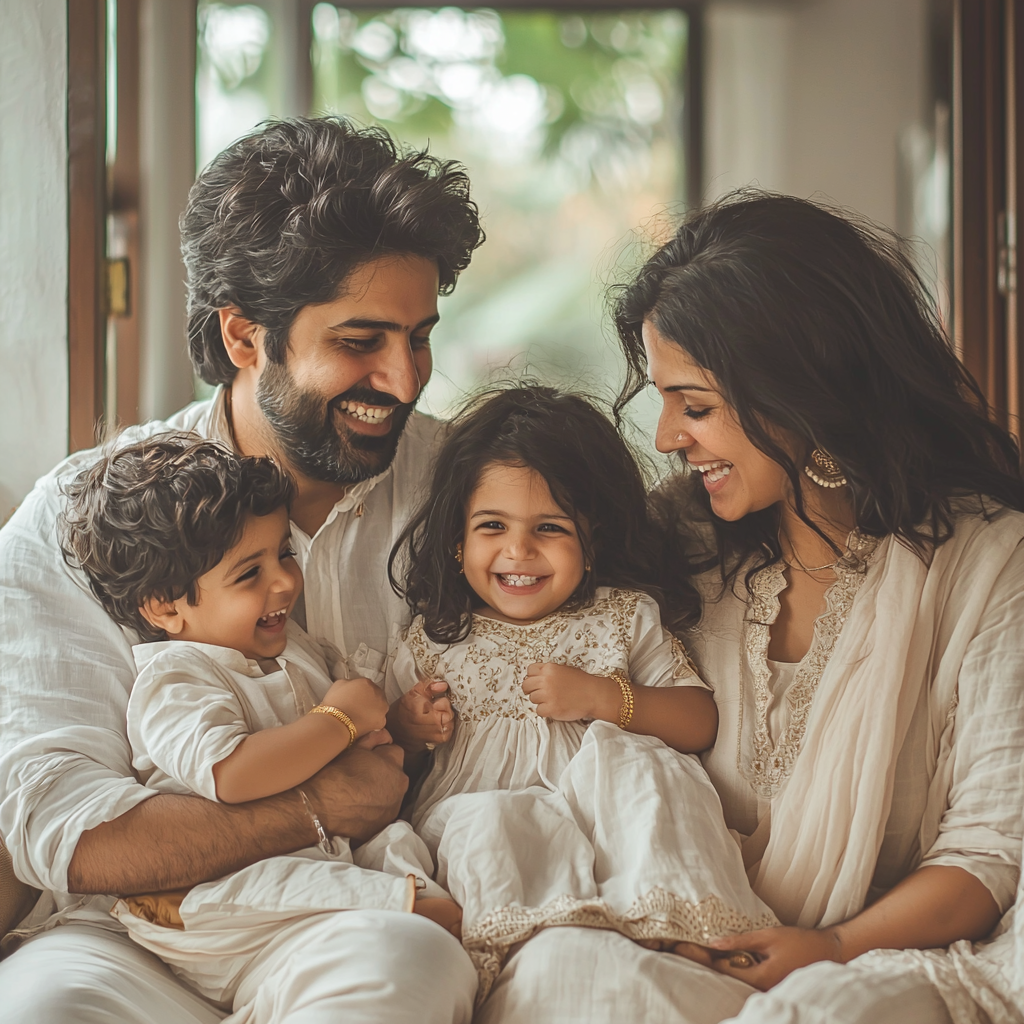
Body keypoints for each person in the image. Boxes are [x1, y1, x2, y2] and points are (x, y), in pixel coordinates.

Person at [475, 194, 1024, 1024]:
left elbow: (988, 852)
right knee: (564, 975)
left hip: (879, 956)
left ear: (803, 394)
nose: (666, 436)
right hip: (684, 939)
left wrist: (835, 949)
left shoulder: (989, 566)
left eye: (694, 406)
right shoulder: (673, 544)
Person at [0, 117, 482, 1023]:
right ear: (243, 336)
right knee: (40, 1009)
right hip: (135, 931)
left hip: (344, 915)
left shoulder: (468, 486)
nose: (406, 379)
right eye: (360, 341)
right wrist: (315, 802)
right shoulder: (74, 517)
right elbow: (65, 827)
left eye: (419, 337)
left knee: (405, 974)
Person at [385, 385, 778, 1001]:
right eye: (493, 526)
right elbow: (390, 770)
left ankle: (671, 924)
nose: (519, 550)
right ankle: (528, 942)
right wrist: (408, 730)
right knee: (485, 819)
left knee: (645, 772)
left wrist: (606, 699)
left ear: (592, 540)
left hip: (612, 835)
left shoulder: (621, 617)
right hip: (504, 827)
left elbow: (698, 721)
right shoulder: (430, 641)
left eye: (550, 528)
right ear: (457, 540)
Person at [57, 434, 462, 1013]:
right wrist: (340, 717)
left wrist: (400, 726)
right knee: (427, 912)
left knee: (424, 890)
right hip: (214, 893)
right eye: (250, 573)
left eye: (285, 553)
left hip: (299, 871)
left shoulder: (290, 646)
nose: (284, 582)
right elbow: (234, 775)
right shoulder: (176, 679)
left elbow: (354, 754)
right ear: (165, 605)